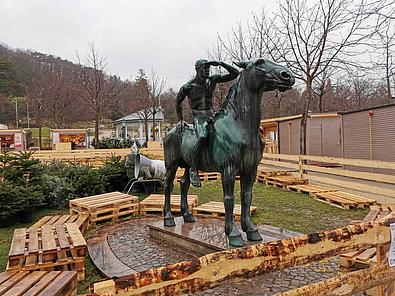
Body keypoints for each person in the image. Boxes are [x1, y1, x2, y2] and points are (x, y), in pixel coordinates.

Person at [176, 59, 239, 187]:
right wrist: (180, 120)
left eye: (208, 69)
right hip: (199, 117)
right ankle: (194, 169)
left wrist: (221, 64)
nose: (207, 71)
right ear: (197, 69)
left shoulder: (213, 80)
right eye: (204, 69)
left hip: (212, 114)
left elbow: (235, 74)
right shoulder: (188, 87)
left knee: (228, 131)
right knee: (203, 136)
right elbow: (178, 102)